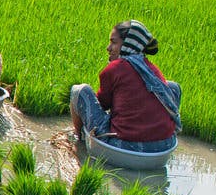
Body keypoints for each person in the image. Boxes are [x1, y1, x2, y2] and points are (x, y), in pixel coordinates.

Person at [70, 20, 180, 152]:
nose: (108, 48)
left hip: (123, 148)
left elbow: (102, 104)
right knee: (172, 87)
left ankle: (79, 139)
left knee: (80, 91)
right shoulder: (151, 69)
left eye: (114, 42)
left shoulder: (115, 68)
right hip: (164, 148)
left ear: (128, 44)